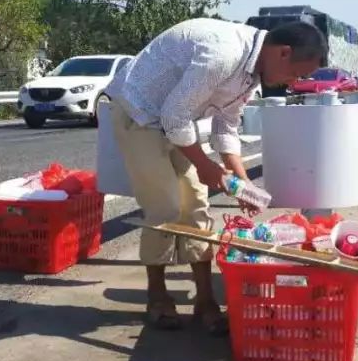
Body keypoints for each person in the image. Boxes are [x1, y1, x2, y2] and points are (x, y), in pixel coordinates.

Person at [106, 18, 326, 334]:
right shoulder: (222, 55)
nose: (294, 82)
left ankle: (206, 301)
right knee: (165, 206)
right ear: (282, 52)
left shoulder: (253, 72)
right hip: (140, 111)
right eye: (296, 73)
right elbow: (173, 116)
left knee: (195, 206)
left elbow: (226, 126)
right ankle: (157, 297)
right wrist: (206, 167)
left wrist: (242, 183)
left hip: (175, 118)